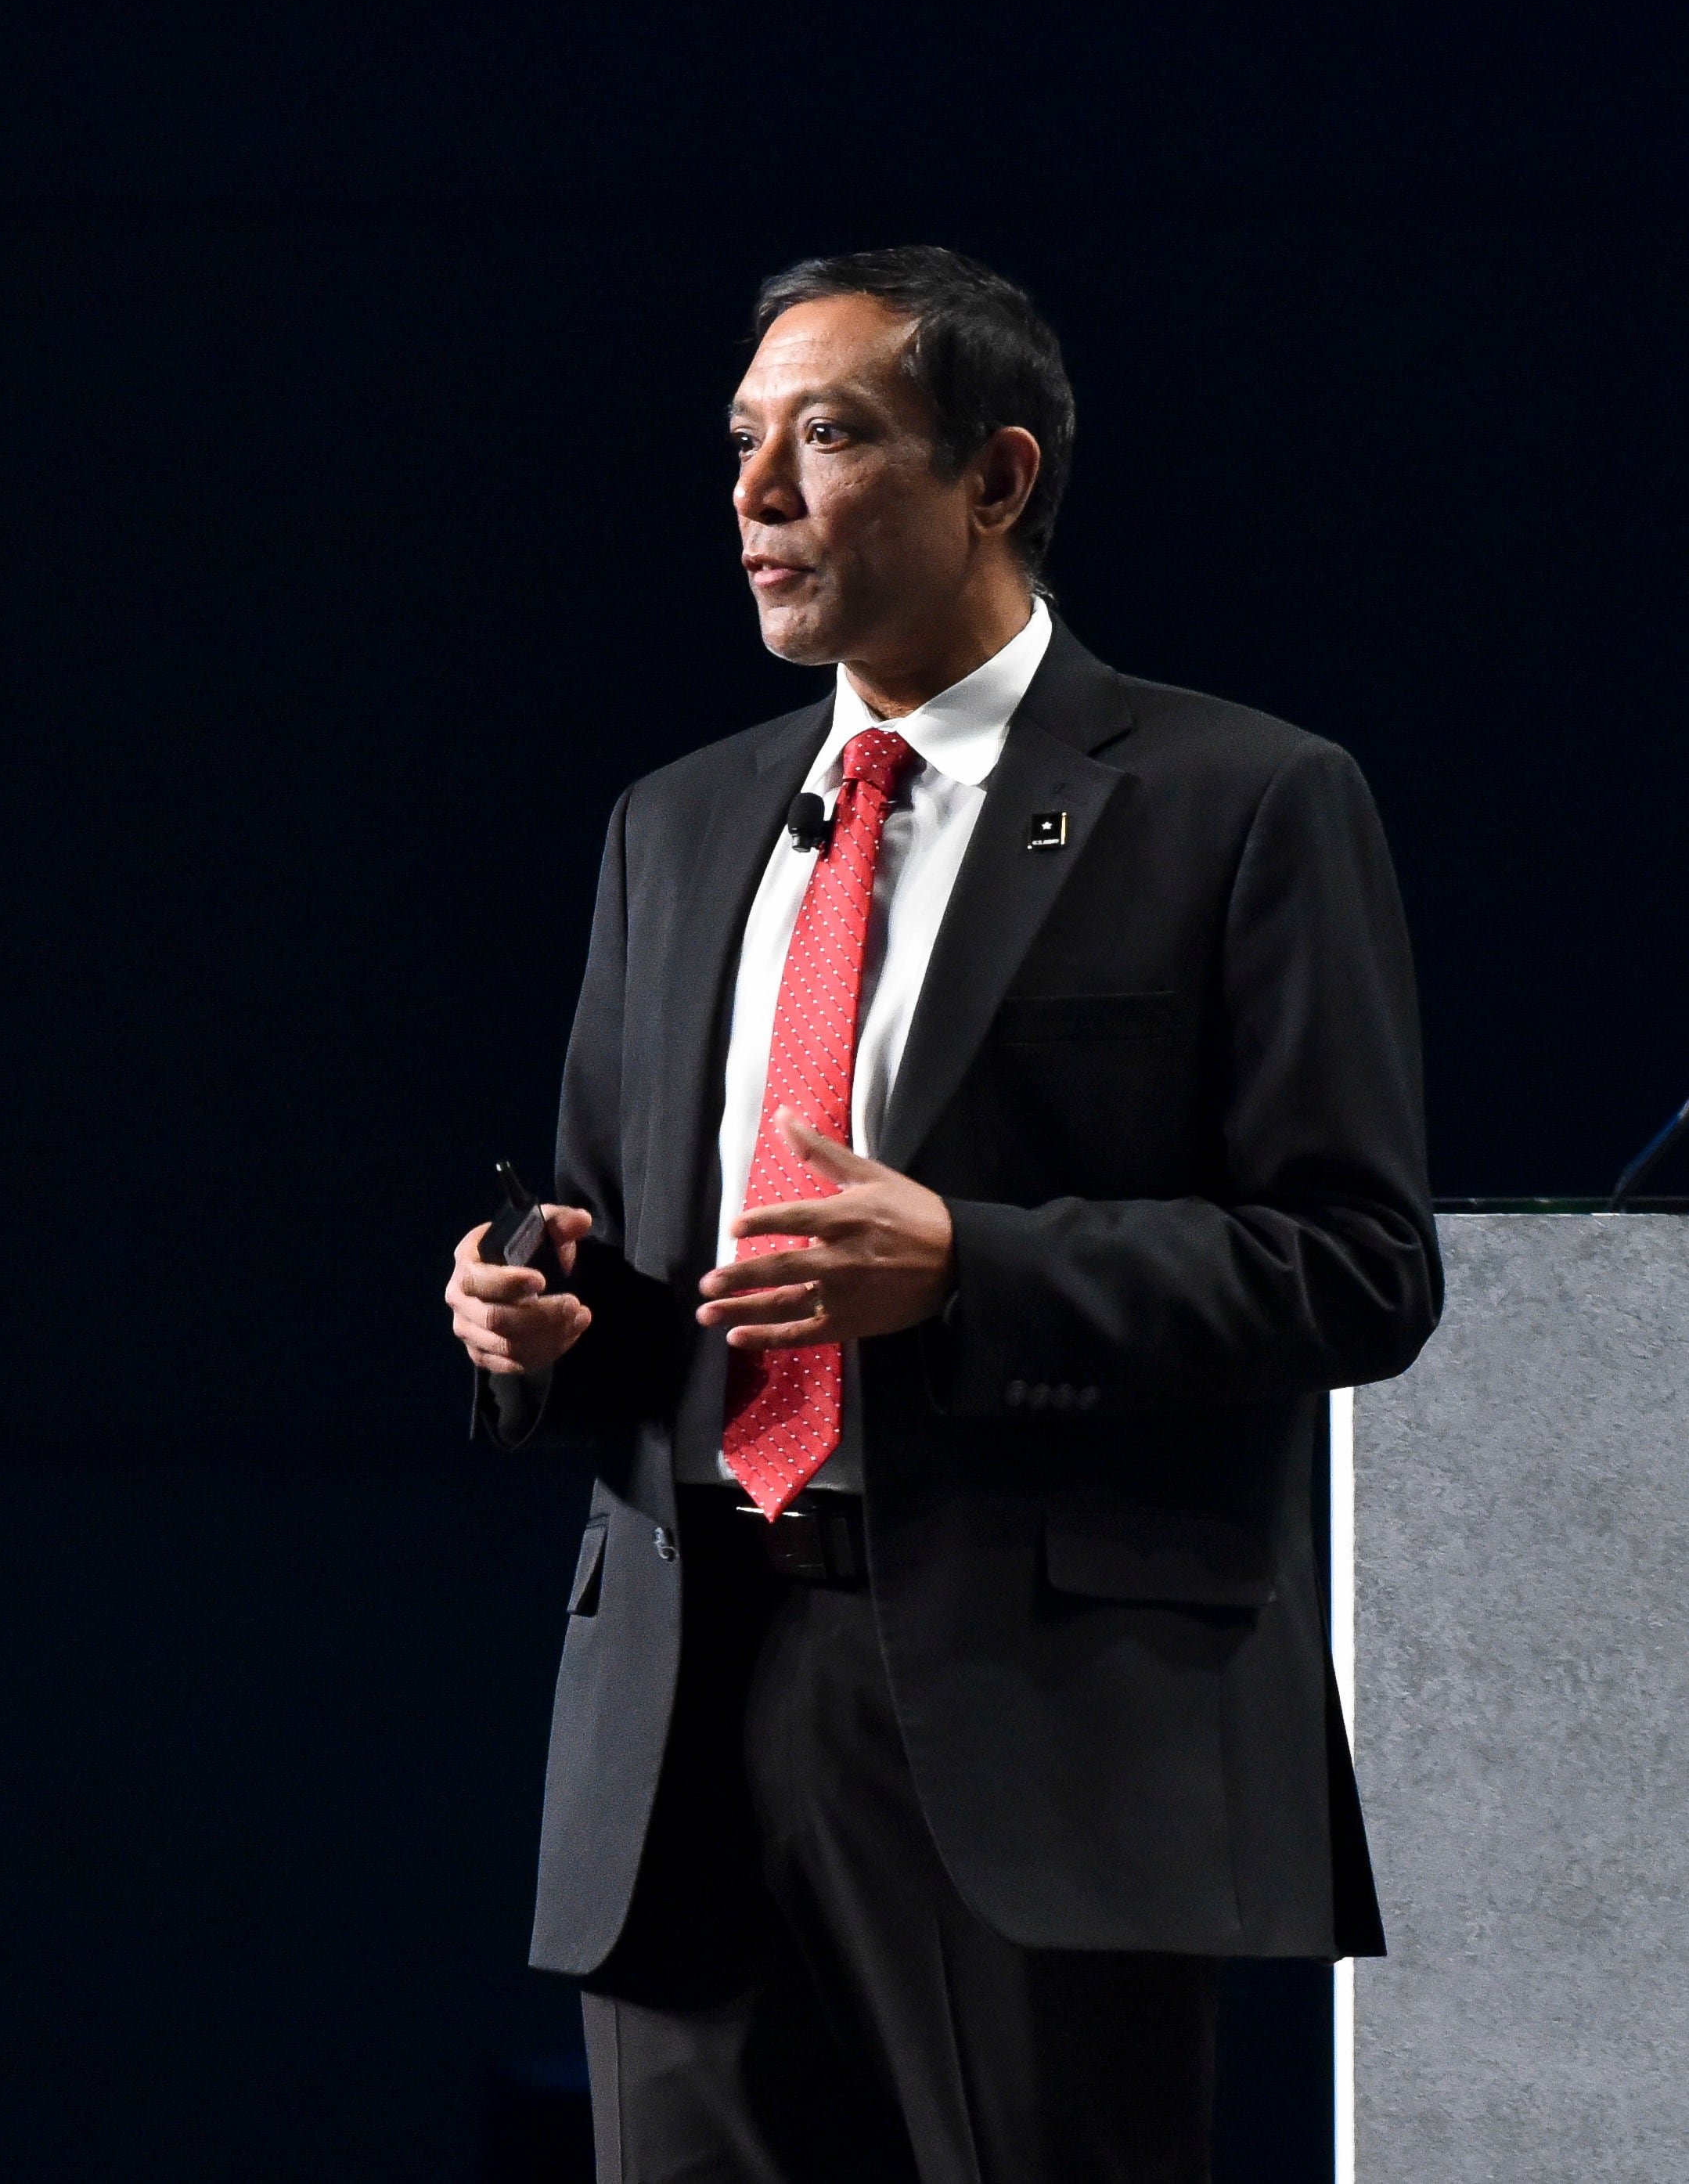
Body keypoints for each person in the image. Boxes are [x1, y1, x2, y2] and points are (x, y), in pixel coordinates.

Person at [441, 247, 1436, 2182]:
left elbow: (1356, 1267)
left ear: (993, 476)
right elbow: (619, 1254)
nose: (751, 496)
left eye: (824, 438)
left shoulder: (1241, 797)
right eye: (739, 443)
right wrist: (542, 1322)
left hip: (1037, 1729)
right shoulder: (673, 824)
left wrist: (976, 1263)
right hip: (688, 1710)